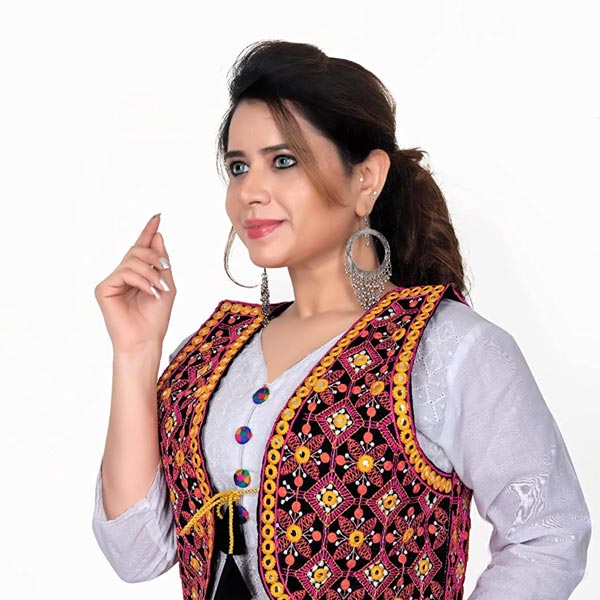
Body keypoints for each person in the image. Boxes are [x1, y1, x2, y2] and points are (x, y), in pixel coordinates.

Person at [91, 40, 591, 600]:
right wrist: (135, 352)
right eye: (238, 167)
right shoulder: (210, 355)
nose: (249, 191)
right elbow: (137, 553)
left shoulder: (448, 348)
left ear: (366, 179)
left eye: (284, 161)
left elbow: (547, 536)